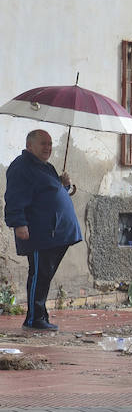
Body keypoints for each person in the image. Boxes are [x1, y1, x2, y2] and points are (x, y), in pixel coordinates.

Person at [5, 129, 82, 331]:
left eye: (50, 143)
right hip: (40, 233)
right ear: (30, 145)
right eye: (43, 144)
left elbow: (49, 193)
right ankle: (34, 319)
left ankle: (40, 316)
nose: (48, 148)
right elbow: (14, 198)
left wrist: (64, 185)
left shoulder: (46, 167)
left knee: (45, 275)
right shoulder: (21, 167)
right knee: (39, 275)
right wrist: (18, 223)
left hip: (57, 233)